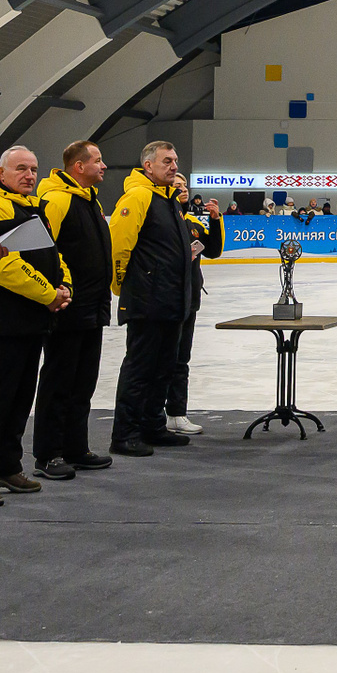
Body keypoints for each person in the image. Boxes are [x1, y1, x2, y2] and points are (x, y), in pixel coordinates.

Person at [0, 147, 72, 507]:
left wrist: (63, 284)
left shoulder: (29, 206)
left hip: (30, 321)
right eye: (20, 168)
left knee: (19, 399)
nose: (29, 175)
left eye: (33, 169)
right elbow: (4, 266)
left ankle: (5, 465)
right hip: (3, 322)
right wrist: (48, 294)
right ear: (0, 173)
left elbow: (52, 253)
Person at [110, 141, 214, 455]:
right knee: (140, 369)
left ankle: (153, 427)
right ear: (148, 166)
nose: (174, 166)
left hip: (172, 301)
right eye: (167, 161)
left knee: (163, 369)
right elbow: (119, 246)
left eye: (175, 160)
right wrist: (123, 287)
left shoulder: (169, 200)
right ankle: (125, 434)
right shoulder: (138, 197)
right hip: (147, 301)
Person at [33, 141, 115, 479]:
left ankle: (75, 447)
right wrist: (55, 291)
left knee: (83, 382)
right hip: (67, 306)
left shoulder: (90, 199)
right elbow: (43, 249)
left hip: (93, 306)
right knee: (59, 381)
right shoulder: (57, 200)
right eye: (98, 160)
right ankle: (48, 454)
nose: (104, 166)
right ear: (78, 167)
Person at [162, 179, 223, 437]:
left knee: (181, 359)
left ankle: (176, 414)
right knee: (162, 359)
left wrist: (216, 220)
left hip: (189, 298)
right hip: (166, 298)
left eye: (185, 184)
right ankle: (151, 415)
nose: (183, 188)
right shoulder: (163, 220)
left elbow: (214, 251)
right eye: (177, 185)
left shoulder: (193, 222)